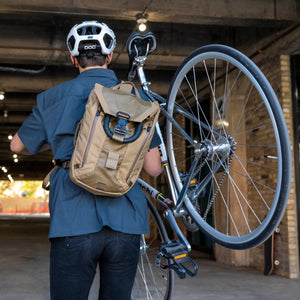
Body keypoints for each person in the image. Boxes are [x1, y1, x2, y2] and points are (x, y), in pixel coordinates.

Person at [10, 20, 163, 300]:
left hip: (73, 220)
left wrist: (56, 141)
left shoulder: (53, 98)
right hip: (126, 220)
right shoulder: (138, 99)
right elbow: (153, 168)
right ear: (109, 57)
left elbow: (17, 145)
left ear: (73, 59)